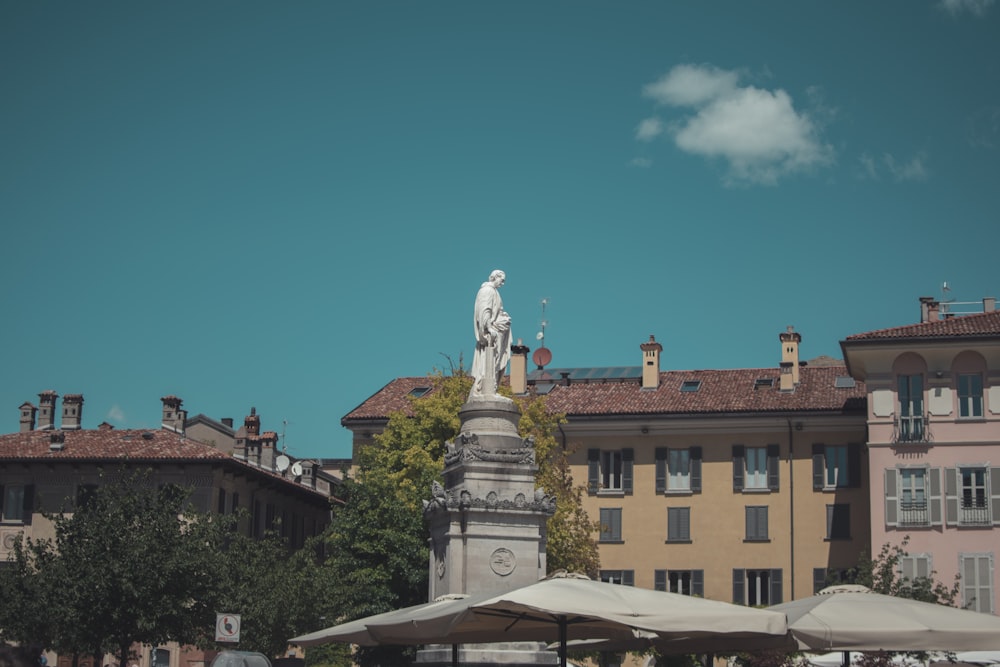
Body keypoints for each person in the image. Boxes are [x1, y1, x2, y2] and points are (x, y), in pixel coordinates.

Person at [469, 269, 512, 399]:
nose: (502, 283)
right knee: (491, 360)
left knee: (495, 361)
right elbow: (484, 310)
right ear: (495, 277)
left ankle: (491, 389)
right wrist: (488, 327)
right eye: (502, 280)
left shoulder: (494, 292)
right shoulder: (487, 290)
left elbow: (494, 310)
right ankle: (485, 389)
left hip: (498, 331)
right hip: (492, 333)